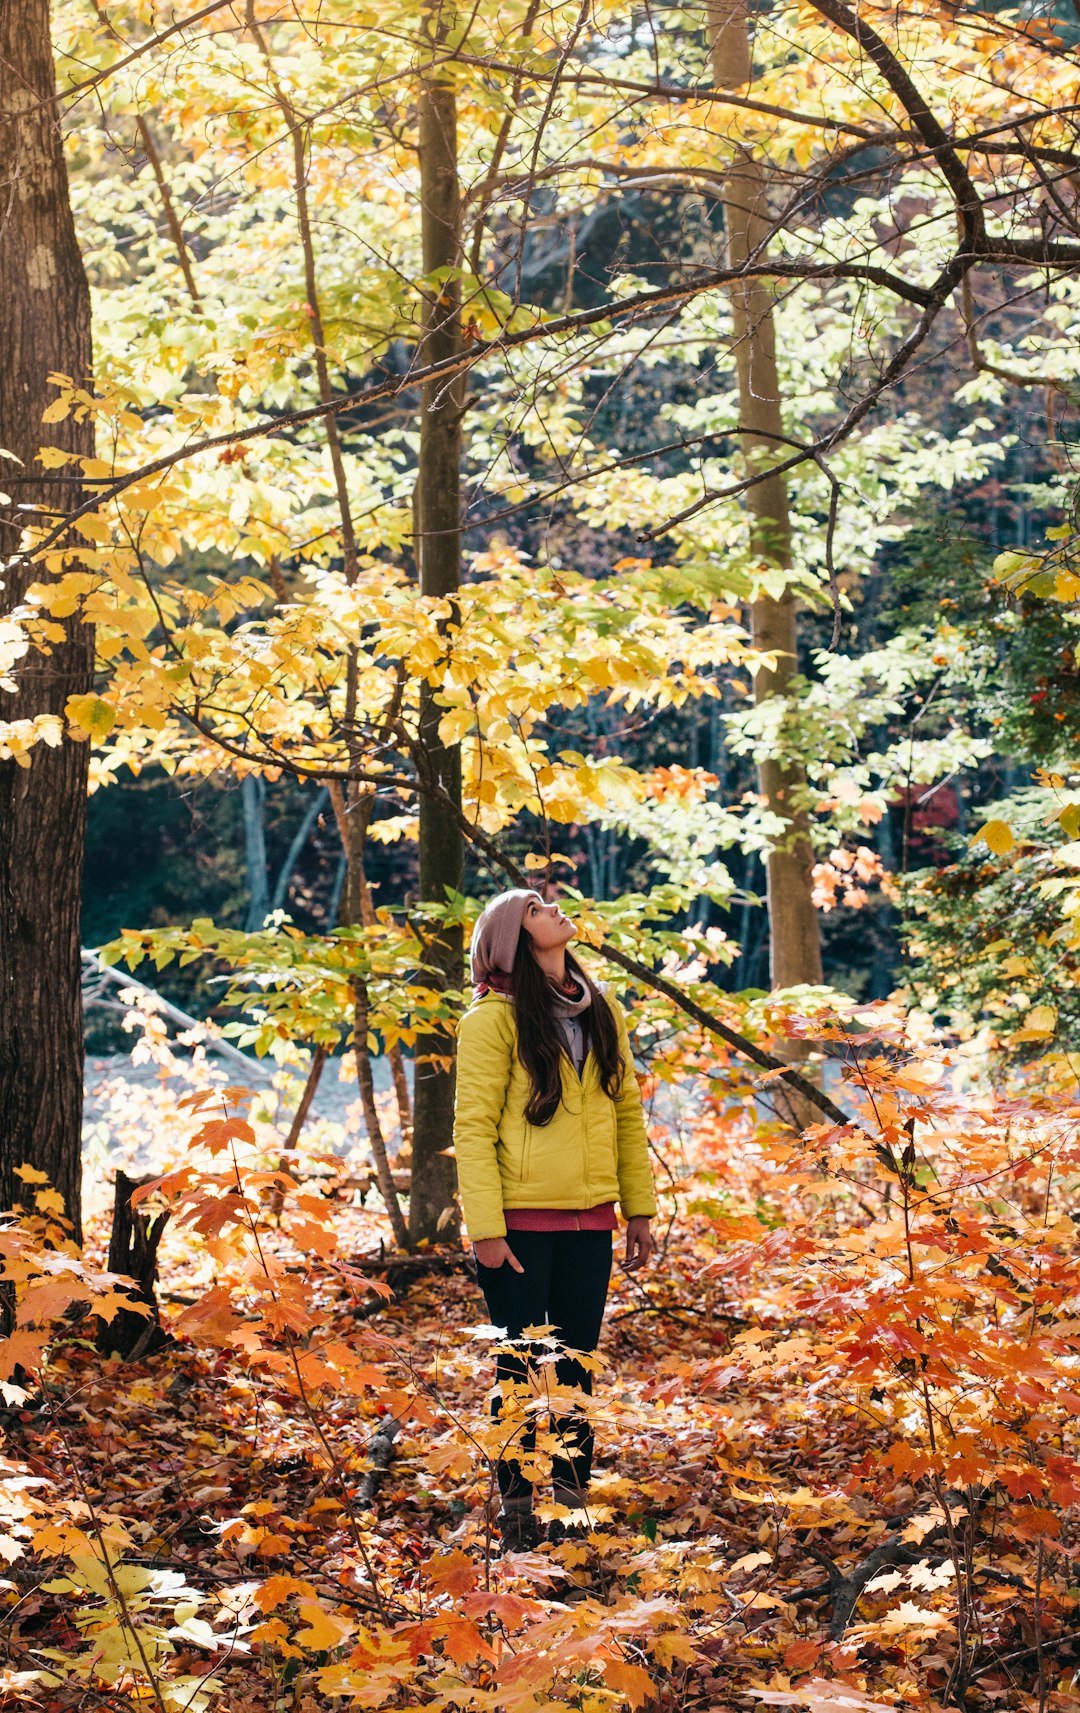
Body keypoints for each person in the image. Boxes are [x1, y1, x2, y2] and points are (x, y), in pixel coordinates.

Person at [453, 886, 657, 1550]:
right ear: (514, 935)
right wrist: (484, 1229)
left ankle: (571, 1509)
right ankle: (516, 1511)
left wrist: (639, 1211)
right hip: (516, 1229)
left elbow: (625, 1113)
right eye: (537, 905)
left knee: (576, 1368)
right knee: (518, 1368)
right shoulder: (491, 1020)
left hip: (590, 1224)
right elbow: (473, 1127)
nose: (556, 906)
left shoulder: (600, 1009)